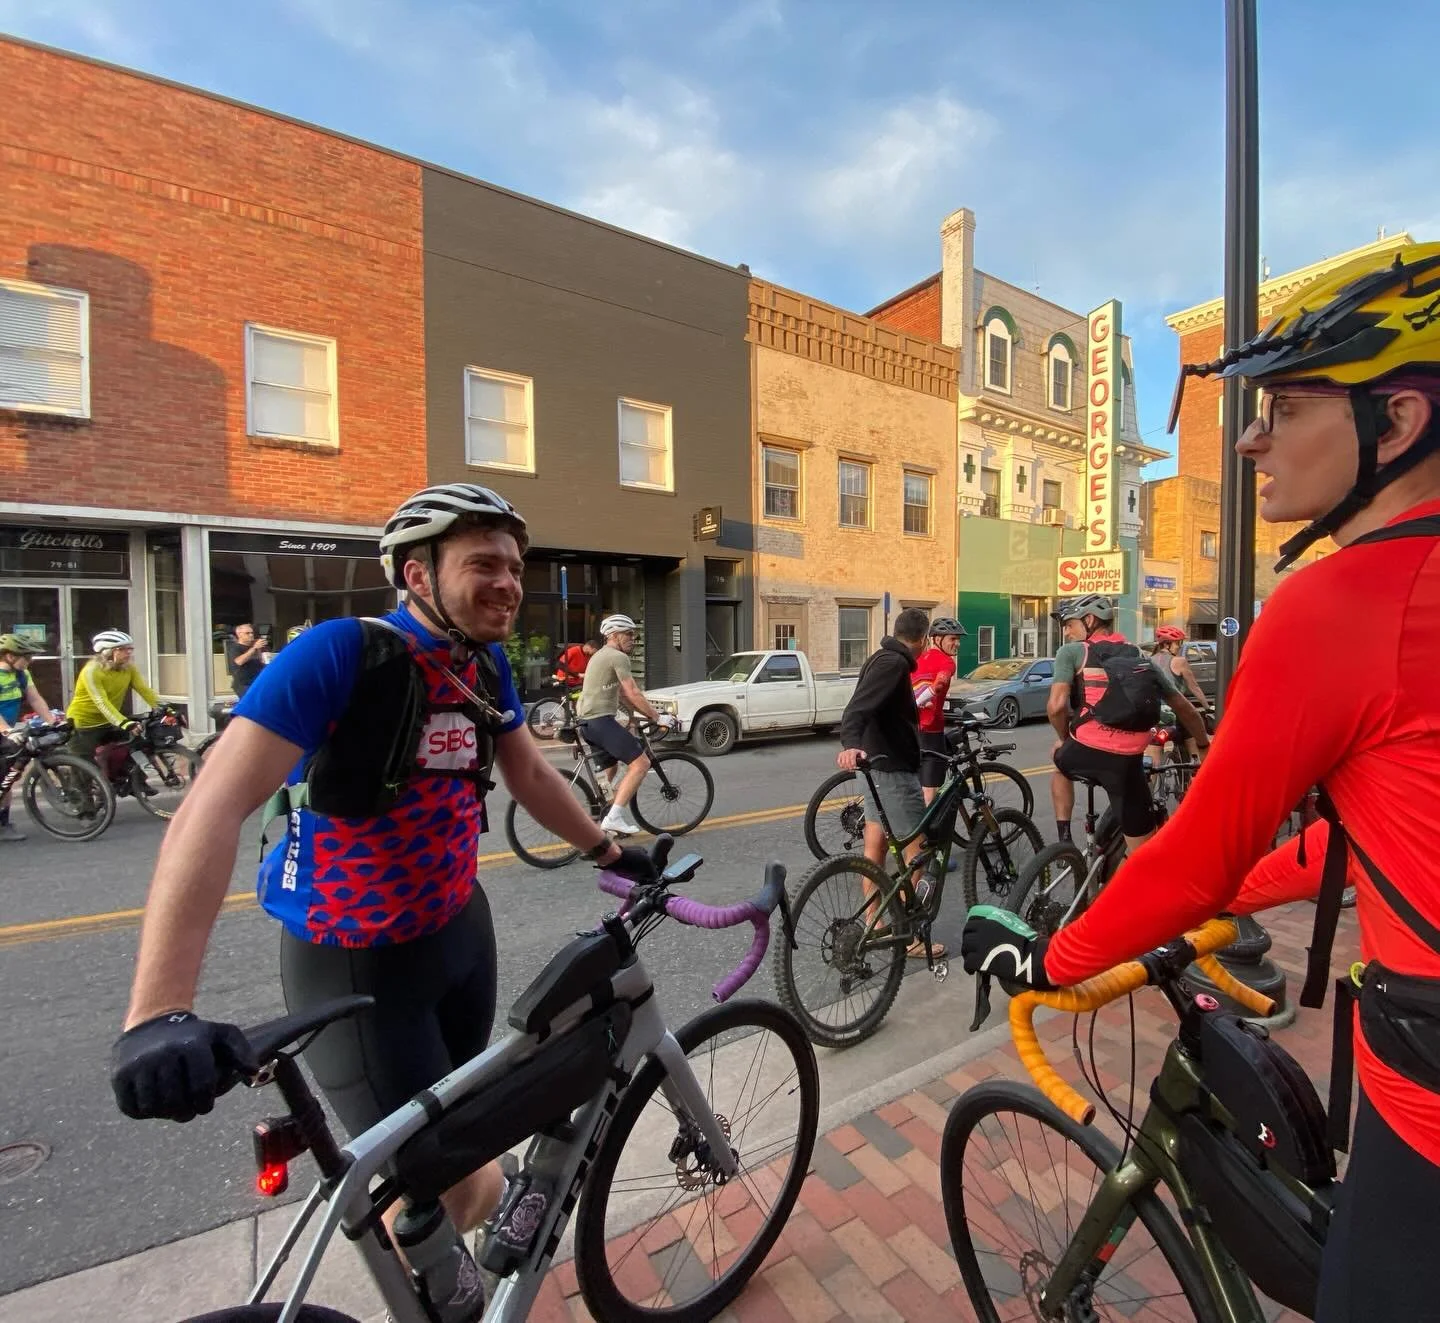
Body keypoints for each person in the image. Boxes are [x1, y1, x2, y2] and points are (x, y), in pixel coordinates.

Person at [960, 240, 1440, 1323]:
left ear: (1397, 421)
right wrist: (1238, 897)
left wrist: (1050, 955)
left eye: (1289, 405)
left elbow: (1193, 858)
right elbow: (1365, 839)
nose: (1255, 437)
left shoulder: (1344, 602)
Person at [108, 484, 656, 1288]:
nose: (508, 581)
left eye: (513, 564)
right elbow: (211, 807)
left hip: (459, 934)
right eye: (483, 564)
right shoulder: (338, 653)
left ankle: (433, 1261)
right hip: (357, 964)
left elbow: (529, 771)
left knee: (462, 1138)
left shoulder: (483, 662)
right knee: (454, 1178)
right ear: (418, 575)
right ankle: (425, 1292)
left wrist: (605, 847)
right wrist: (158, 1009)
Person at [1047, 595, 1209, 854]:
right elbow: (1185, 709)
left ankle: (1064, 843)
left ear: (1089, 620)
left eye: (1069, 624)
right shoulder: (1139, 656)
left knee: (1059, 760)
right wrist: (1203, 745)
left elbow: (1056, 707)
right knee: (1142, 853)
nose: (1066, 632)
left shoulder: (1073, 652)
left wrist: (1065, 737)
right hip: (1129, 759)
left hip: (1086, 750)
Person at [836, 607, 941, 958]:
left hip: (877, 766)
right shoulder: (892, 664)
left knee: (875, 848)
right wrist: (850, 742)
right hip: (892, 770)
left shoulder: (882, 658)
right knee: (917, 853)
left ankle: (875, 924)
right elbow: (857, 708)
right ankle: (904, 932)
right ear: (923, 639)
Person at [576, 614, 674, 835]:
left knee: (609, 770)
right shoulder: (617, 657)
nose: (633, 638)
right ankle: (614, 817)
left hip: (588, 723)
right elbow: (633, 692)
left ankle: (602, 820)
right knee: (641, 764)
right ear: (614, 636)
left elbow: (622, 695)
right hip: (601, 721)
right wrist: (658, 718)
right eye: (628, 634)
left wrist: (634, 716)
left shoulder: (600, 656)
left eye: (633, 633)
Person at [67, 629, 163, 764]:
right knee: (84, 769)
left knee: (135, 749)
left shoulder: (128, 668)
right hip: (85, 724)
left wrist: (166, 707)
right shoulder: (92, 671)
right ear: (108, 652)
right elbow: (101, 702)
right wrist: (124, 723)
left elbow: (144, 690)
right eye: (122, 649)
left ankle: (136, 784)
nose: (128, 652)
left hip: (110, 721)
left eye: (130, 648)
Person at [0, 633, 58, 841]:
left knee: (7, 776)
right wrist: (7, 730)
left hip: (6, 730)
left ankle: (3, 824)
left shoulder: (21, 675)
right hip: (4, 728)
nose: (30, 660)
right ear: (9, 656)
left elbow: (35, 698)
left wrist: (52, 721)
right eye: (26, 656)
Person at [913, 616, 965, 806]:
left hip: (910, 728)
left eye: (958, 639)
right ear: (937, 638)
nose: (957, 644)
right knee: (929, 788)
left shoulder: (917, 658)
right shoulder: (947, 662)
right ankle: (924, 832)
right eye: (953, 639)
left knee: (913, 782)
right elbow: (941, 682)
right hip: (931, 728)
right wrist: (929, 694)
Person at [225, 622, 268, 698]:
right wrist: (254, 648)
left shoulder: (255, 646)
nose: (251, 635)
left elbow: (262, 661)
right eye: (247, 633)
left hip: (257, 682)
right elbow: (239, 661)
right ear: (239, 634)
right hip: (243, 684)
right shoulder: (235, 647)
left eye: (252, 633)